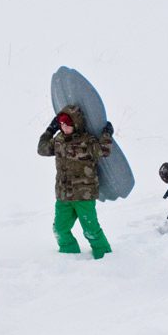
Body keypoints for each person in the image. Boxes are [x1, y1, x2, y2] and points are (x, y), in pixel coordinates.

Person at [37, 105, 113, 259]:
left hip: (84, 196)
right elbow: (42, 149)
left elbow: (104, 150)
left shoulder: (87, 141)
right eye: (61, 124)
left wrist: (106, 134)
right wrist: (50, 131)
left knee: (91, 230)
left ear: (76, 124)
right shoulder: (58, 140)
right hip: (63, 196)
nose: (64, 127)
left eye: (67, 124)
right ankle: (69, 256)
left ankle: (105, 257)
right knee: (59, 229)